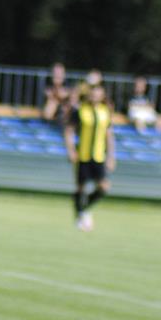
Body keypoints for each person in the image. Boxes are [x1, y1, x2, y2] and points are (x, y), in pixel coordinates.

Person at [65, 81, 115, 231]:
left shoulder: (105, 111)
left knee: (104, 187)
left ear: (102, 95)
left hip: (99, 155)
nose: (95, 95)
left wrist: (111, 156)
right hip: (83, 155)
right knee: (81, 188)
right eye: (92, 93)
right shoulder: (80, 110)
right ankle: (80, 215)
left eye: (98, 92)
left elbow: (109, 135)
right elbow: (69, 131)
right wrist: (71, 150)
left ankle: (83, 210)